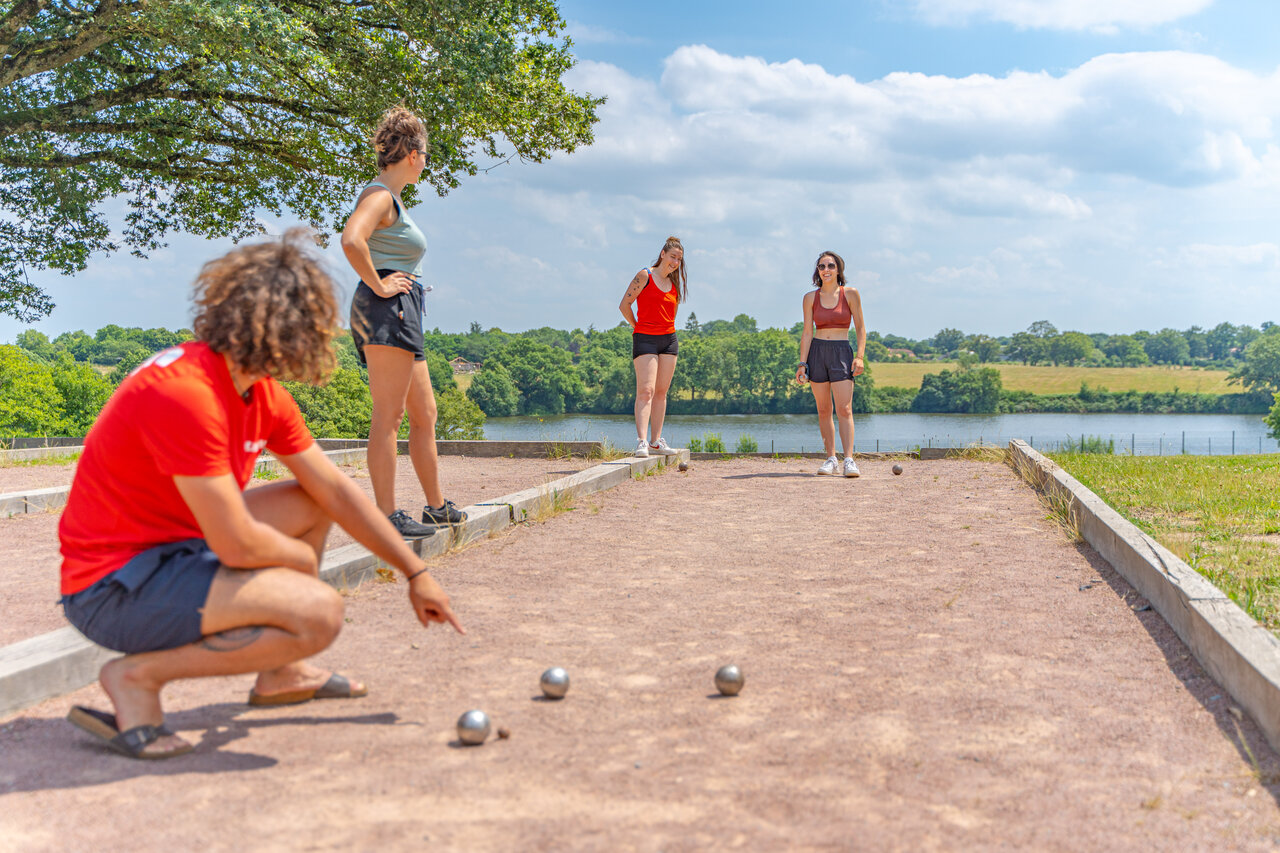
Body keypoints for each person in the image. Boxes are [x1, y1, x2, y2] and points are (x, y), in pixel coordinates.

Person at [59, 230, 464, 760]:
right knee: (317, 614)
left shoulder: (258, 391)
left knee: (311, 500)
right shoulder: (187, 392)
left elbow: (336, 492)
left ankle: (280, 673)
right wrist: (297, 567)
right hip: (111, 587)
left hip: (174, 550)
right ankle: (136, 677)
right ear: (288, 328)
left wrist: (416, 572)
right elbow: (237, 545)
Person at [341, 106, 464, 539]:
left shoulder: (393, 200)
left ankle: (435, 508)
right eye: (426, 154)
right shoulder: (379, 196)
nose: (427, 162)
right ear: (412, 154)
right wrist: (378, 284)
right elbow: (351, 239)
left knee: (424, 413)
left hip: (404, 309)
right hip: (385, 309)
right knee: (388, 417)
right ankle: (387, 515)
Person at [795, 250, 867, 477]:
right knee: (824, 409)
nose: (826, 270)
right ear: (817, 271)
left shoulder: (851, 294)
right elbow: (807, 333)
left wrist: (860, 356)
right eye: (822, 266)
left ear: (839, 270)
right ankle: (831, 459)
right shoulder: (809, 298)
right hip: (817, 352)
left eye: (830, 266)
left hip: (841, 352)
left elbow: (861, 329)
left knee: (845, 409)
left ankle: (849, 460)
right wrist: (802, 364)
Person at [619, 236, 687, 458]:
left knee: (661, 393)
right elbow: (625, 305)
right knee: (645, 391)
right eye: (672, 257)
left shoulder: (675, 284)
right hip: (645, 339)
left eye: (679, 259)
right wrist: (637, 326)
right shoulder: (644, 275)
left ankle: (656, 441)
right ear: (662, 255)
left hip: (668, 340)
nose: (675, 262)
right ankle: (642, 441)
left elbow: (672, 314)